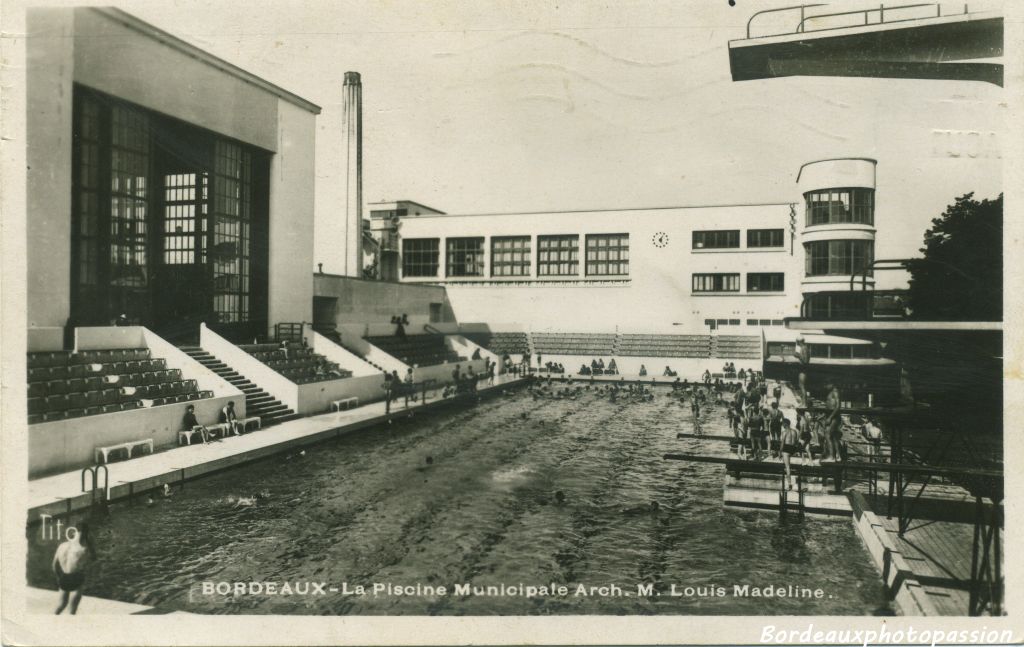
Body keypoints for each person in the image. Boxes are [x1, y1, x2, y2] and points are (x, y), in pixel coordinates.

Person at [53, 523, 94, 614]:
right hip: (76, 577)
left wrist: (59, 578)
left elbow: (54, 565)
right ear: (86, 532)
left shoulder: (62, 546)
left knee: (60, 605)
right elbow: (93, 560)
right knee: (72, 609)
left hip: (64, 576)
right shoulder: (84, 548)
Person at [780, 418, 801, 490]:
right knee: (788, 465)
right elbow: (796, 442)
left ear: (785, 424)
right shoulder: (794, 431)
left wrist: (780, 452)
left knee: (787, 467)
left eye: (782, 423)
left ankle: (789, 484)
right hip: (792, 448)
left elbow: (782, 443)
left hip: (786, 448)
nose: (782, 425)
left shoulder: (784, 432)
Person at [824, 382, 843, 461]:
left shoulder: (835, 392)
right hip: (831, 415)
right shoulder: (832, 392)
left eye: (827, 384)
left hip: (833, 416)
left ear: (832, 384)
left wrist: (830, 418)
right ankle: (838, 456)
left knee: (827, 435)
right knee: (834, 437)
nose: (825, 387)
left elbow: (838, 406)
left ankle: (831, 457)